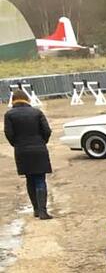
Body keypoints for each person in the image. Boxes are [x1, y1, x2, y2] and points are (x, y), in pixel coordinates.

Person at [4, 89, 53, 220]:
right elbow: (47, 131)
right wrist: (42, 142)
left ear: (13, 100)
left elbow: (9, 134)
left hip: (22, 150)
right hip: (39, 149)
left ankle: (36, 209)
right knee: (40, 179)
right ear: (27, 99)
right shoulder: (37, 112)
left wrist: (17, 144)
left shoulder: (9, 115)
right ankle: (43, 211)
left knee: (29, 179)